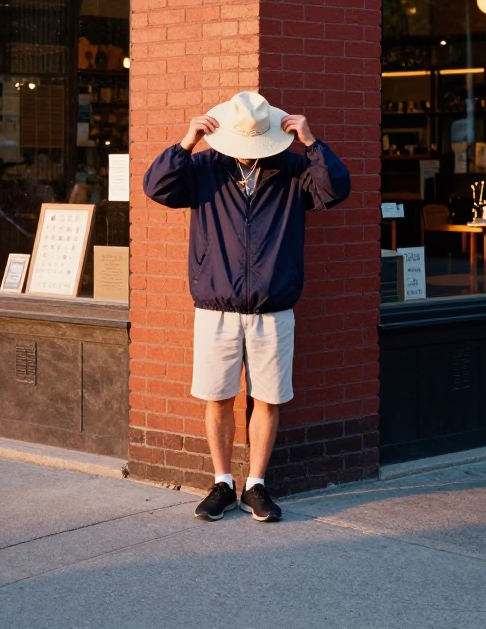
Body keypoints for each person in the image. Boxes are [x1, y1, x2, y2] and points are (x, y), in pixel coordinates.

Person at [143, 91, 351, 522]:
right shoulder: (203, 168)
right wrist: (186, 142)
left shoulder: (293, 169)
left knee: (268, 400)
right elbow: (157, 187)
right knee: (218, 398)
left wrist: (311, 143)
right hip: (215, 306)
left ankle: (256, 484)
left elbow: (334, 191)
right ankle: (222, 481)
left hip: (273, 307)